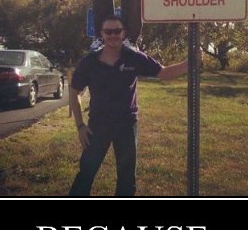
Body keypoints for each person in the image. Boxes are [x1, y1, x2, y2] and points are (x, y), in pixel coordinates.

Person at [68, 14, 202, 197]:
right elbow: (74, 92)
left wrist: (190, 62)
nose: (113, 35)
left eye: (117, 31)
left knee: (127, 178)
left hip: (127, 125)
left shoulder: (134, 57)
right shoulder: (89, 62)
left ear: (123, 33)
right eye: (108, 31)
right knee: (86, 173)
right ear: (102, 34)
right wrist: (80, 126)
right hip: (98, 126)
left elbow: (163, 73)